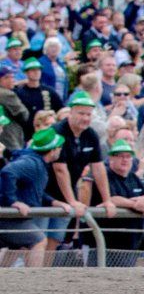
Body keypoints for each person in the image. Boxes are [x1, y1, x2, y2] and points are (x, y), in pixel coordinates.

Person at [47, 92, 116, 256]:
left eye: (88, 114)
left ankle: (41, 275)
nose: (85, 118)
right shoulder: (58, 131)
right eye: (81, 113)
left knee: (54, 240)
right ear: (70, 112)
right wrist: (73, 201)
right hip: (45, 191)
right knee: (36, 241)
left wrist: (107, 200)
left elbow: (98, 168)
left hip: (65, 193)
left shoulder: (90, 134)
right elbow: (59, 170)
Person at [0, 129, 74, 267]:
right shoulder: (32, 163)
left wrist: (54, 202)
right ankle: (34, 282)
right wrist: (13, 201)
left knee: (17, 247)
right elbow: (7, 172)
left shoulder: (37, 162)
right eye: (59, 148)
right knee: (39, 240)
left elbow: (35, 191)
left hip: (14, 217)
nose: (60, 151)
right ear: (52, 150)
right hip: (8, 217)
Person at [80, 139, 144, 259]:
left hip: (130, 246)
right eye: (121, 156)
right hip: (102, 246)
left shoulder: (132, 177)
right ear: (111, 158)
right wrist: (135, 204)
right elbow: (111, 199)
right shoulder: (105, 175)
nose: (125, 160)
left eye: (128, 156)